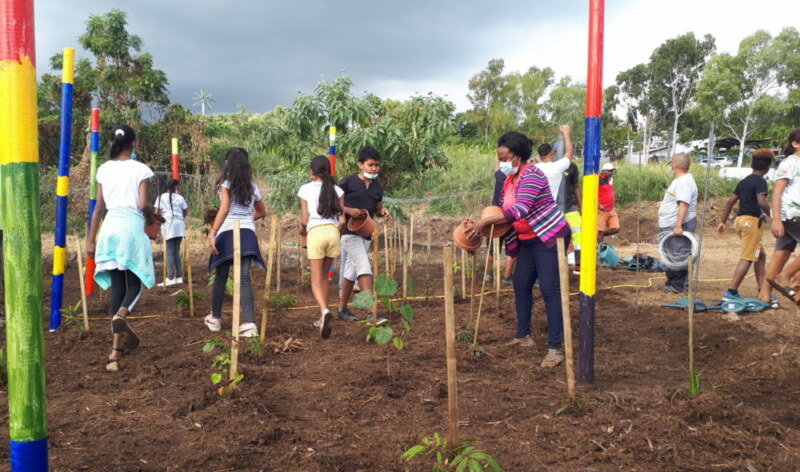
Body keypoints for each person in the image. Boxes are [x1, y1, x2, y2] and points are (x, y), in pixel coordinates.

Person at [468, 131, 570, 369]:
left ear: (518, 156)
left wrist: (484, 223)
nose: (502, 163)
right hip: (527, 239)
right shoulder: (509, 180)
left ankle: (555, 349)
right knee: (521, 285)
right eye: (499, 158)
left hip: (549, 237)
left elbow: (521, 209)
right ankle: (523, 335)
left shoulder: (532, 175)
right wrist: (482, 224)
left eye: (505, 158)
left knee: (549, 290)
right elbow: (504, 215)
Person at [86, 124, 156, 372]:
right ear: (134, 144)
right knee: (135, 283)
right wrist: (152, 216)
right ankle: (122, 315)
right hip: (131, 229)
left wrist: (90, 240)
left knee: (117, 287)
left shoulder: (104, 169)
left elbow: (97, 208)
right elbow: (142, 203)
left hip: (109, 228)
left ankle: (115, 352)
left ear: (110, 144)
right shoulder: (141, 169)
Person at [205, 148, 267, 338]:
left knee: (221, 275)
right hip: (247, 234)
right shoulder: (252, 186)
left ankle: (215, 319)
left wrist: (212, 232)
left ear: (227, 163)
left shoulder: (225, 182)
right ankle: (249, 323)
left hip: (227, 232)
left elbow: (224, 209)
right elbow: (261, 211)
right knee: (244, 277)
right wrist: (247, 218)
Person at [336, 146, 390, 324]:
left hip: (366, 234)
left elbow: (376, 207)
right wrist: (349, 210)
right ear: (360, 164)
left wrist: (382, 211)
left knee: (351, 272)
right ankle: (371, 313)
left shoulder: (377, 186)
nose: (374, 168)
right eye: (370, 165)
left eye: (376, 165)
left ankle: (342, 309)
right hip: (349, 232)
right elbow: (332, 203)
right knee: (364, 268)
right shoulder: (347, 182)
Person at [716, 149, 773, 300]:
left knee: (760, 255)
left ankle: (763, 290)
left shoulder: (744, 181)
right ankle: (731, 292)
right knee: (748, 257)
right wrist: (775, 215)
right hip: (752, 223)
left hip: (740, 221)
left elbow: (730, 201)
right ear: (768, 168)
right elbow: (762, 202)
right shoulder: (761, 182)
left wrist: (722, 221)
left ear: (752, 165)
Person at [298, 156, 345, 338]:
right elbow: (342, 219)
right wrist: (336, 230)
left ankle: (324, 310)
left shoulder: (305, 189)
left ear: (312, 172)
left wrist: (302, 231)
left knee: (315, 279)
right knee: (325, 277)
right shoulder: (338, 189)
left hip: (315, 233)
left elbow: (304, 220)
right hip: (333, 233)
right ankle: (322, 317)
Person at [761, 129, 800, 304]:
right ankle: (784, 276)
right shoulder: (790, 163)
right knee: (781, 258)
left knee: (781, 255)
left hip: (792, 216)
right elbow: (777, 191)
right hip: (792, 214)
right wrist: (776, 220)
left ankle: (764, 295)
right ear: (795, 143)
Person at [656, 153, 698, 293]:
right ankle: (673, 283)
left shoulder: (683, 182)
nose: (670, 166)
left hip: (679, 224)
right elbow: (678, 201)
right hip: (671, 223)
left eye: (671, 163)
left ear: (675, 165)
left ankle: (679, 286)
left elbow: (684, 205)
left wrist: (678, 225)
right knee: (671, 254)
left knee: (678, 254)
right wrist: (663, 204)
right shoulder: (681, 180)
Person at [155, 178, 188, 286]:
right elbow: (185, 211)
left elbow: (157, 213)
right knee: (175, 252)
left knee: (169, 252)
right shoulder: (180, 197)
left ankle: (170, 277)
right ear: (175, 187)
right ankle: (179, 277)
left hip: (168, 225)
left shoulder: (161, 197)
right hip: (179, 225)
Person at [487, 160, 515, 285]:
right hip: (510, 217)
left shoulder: (499, 176)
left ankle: (488, 274)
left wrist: (500, 159)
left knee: (492, 248)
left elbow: (496, 166)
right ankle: (507, 277)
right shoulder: (517, 180)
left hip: (494, 216)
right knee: (511, 249)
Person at [534, 124, 574, 200]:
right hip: (549, 208)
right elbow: (569, 152)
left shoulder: (533, 168)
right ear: (552, 152)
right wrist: (566, 133)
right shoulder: (556, 167)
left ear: (539, 156)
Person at [562, 161, 582, 272]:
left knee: (578, 234)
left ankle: (578, 265)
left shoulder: (572, 166)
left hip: (570, 207)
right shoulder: (550, 165)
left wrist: (580, 205)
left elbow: (576, 186)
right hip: (553, 208)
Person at [597, 162, 620, 242]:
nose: (611, 173)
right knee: (600, 232)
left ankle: (601, 236)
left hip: (610, 209)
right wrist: (598, 204)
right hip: (601, 210)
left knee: (616, 228)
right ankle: (600, 251)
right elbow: (591, 193)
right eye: (609, 171)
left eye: (612, 171)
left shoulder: (610, 180)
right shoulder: (597, 179)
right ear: (603, 171)